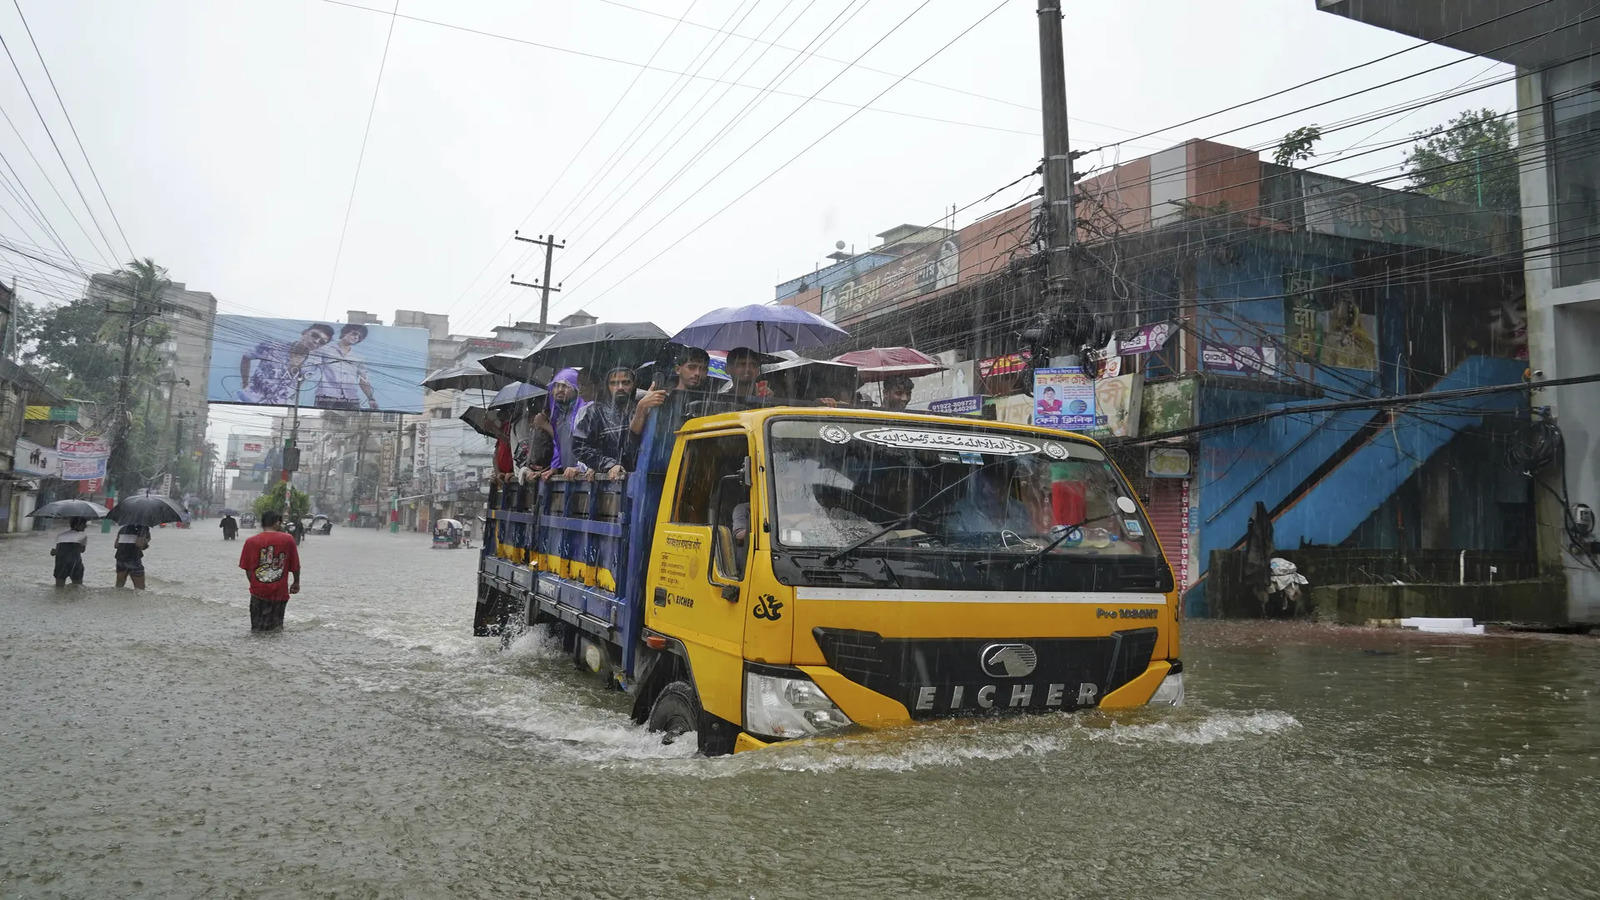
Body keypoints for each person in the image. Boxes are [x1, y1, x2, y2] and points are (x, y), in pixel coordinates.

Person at [630, 346, 714, 469]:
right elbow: (634, 435)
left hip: (699, 467)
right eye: (692, 367)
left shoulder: (710, 402)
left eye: (702, 369)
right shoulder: (660, 397)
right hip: (659, 468)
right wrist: (642, 407)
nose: (697, 373)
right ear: (678, 369)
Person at [236, 323, 334, 405]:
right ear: (304, 332)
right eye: (315, 335)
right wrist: (245, 383)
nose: (316, 341)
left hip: (278, 406)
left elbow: (298, 384)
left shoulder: (312, 365)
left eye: (321, 342)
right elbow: (246, 357)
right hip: (248, 399)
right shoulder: (272, 346)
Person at [574, 365, 641, 478]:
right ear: (607, 386)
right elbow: (579, 446)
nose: (620, 387)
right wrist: (607, 464)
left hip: (639, 480)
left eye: (625, 383)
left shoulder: (642, 408)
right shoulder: (596, 412)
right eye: (614, 383)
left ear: (633, 385)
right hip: (608, 484)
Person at [240, 509, 301, 632]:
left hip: (258, 594)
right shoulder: (288, 540)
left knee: (256, 630)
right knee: (276, 630)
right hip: (279, 594)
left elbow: (247, 569)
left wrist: (256, 584)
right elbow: (295, 565)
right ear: (276, 523)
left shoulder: (250, 542)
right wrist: (296, 582)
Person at [313, 324, 379, 411]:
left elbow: (363, 380)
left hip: (351, 398)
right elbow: (310, 368)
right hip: (326, 397)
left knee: (353, 423)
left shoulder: (358, 357)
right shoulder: (324, 349)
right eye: (354, 334)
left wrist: (371, 399)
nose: (356, 338)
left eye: (359, 337)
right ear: (345, 332)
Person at [542, 367, 590, 480]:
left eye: (565, 386)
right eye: (556, 386)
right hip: (567, 476)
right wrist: (554, 467)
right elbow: (558, 444)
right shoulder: (558, 415)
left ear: (576, 388)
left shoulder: (585, 410)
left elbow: (589, 444)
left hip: (584, 477)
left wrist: (581, 467)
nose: (559, 390)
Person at [51, 517, 89, 587]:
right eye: (84, 524)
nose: (86, 526)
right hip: (75, 563)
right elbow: (82, 550)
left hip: (61, 563)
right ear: (76, 525)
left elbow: (53, 552)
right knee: (77, 587)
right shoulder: (83, 536)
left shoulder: (60, 535)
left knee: (59, 587)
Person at [114, 523, 150, 589]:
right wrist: (146, 542)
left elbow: (116, 545)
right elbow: (139, 544)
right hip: (133, 558)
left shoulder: (123, 528)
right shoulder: (142, 528)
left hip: (120, 558)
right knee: (140, 589)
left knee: (119, 587)